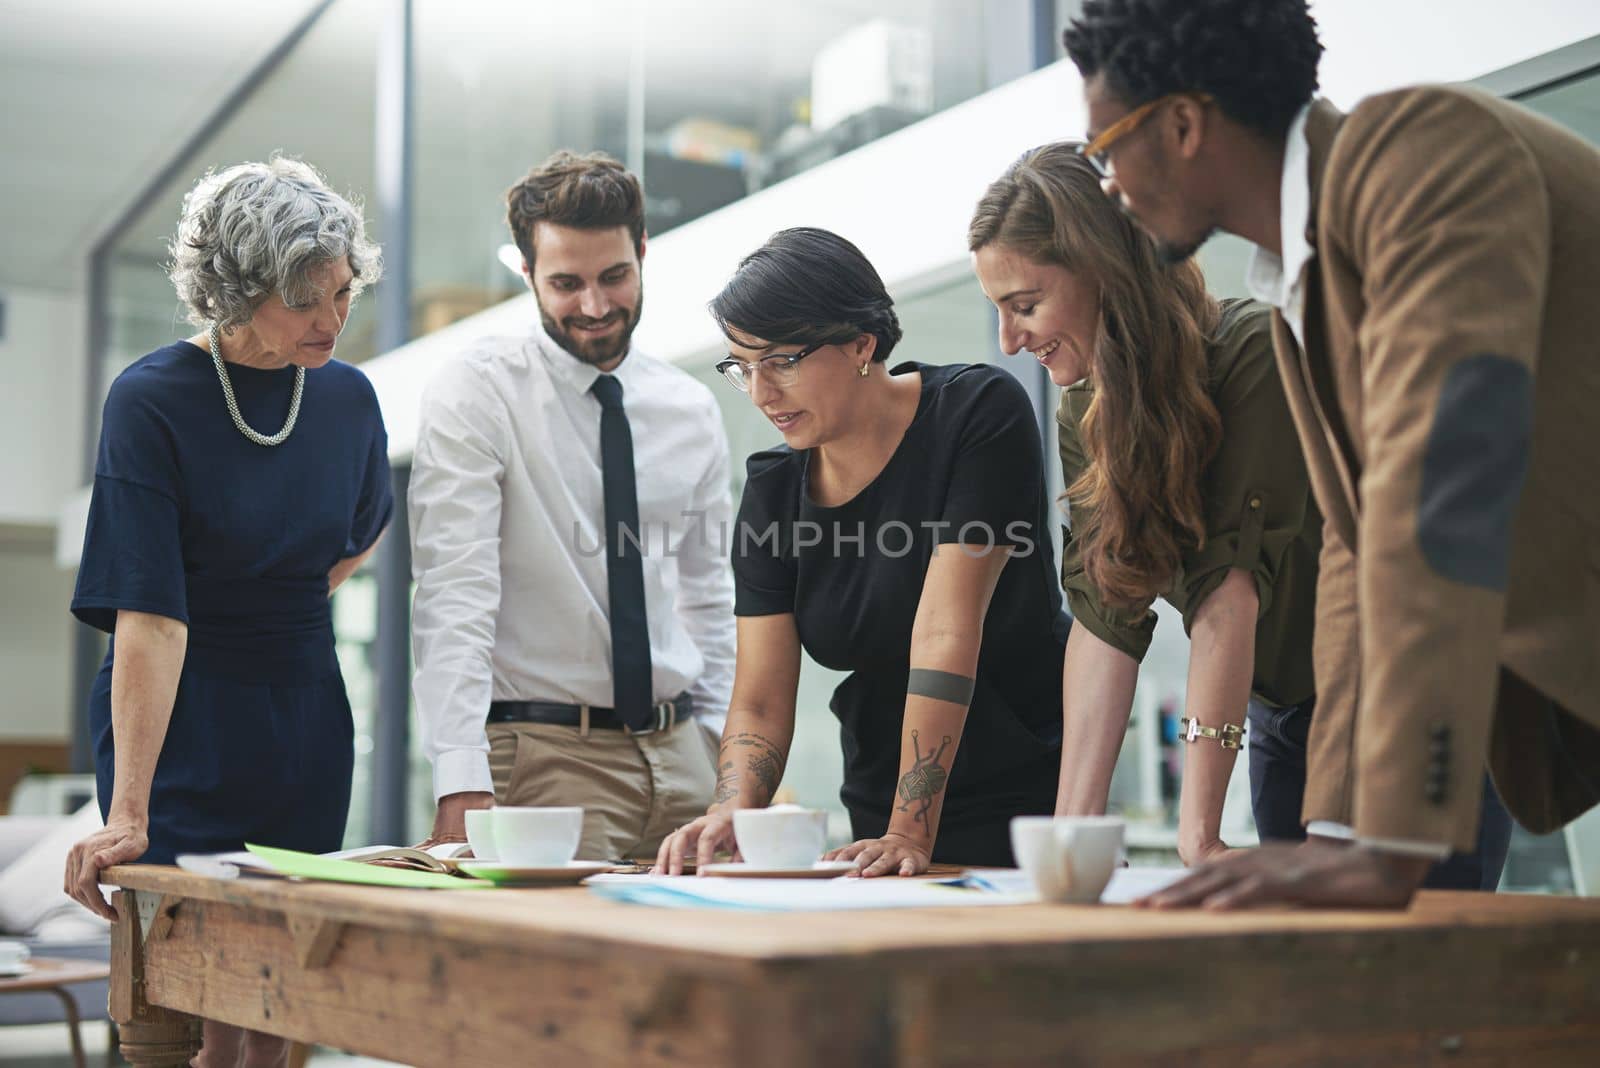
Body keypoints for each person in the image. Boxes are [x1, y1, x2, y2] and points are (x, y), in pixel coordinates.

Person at [1063, 0, 1600, 908]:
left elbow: (1440, 486)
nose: (1107, 183)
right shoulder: (1299, 292)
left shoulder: (1421, 155)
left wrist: (1385, 845)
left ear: (1184, 125)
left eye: (1103, 149)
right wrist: (1339, 827)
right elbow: (1358, 554)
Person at [967, 143, 1512, 891]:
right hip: (1283, 718)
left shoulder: (1253, 349)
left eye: (1025, 304)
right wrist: (1072, 837)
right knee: (1313, 985)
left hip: (1404, 704)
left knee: (1425, 977)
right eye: (997, 311)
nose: (1009, 341)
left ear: (1104, 271)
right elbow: (1104, 616)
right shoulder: (1085, 410)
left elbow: (1229, 593)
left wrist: (1199, 834)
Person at [63, 157, 390, 1066]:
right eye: (305, 299)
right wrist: (130, 811)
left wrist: (271, 604)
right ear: (236, 291)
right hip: (180, 721)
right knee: (184, 994)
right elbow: (152, 615)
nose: (332, 319)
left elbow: (355, 541)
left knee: (286, 994)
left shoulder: (349, 399)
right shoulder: (151, 400)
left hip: (302, 718)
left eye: (343, 290)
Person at [657, 227, 1067, 877]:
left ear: (860, 344)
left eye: (782, 361)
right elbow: (760, 697)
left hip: (1024, 803)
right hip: (878, 816)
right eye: (742, 366)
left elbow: (944, 633)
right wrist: (730, 809)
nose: (762, 393)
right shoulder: (773, 489)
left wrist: (912, 830)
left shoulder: (976, 414)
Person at [409, 150, 735, 863]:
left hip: (685, 757)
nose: (594, 305)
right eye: (566, 283)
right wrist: (460, 775)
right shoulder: (478, 390)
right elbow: (453, 590)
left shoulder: (691, 409)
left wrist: (722, 749)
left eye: (614, 276)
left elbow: (709, 595)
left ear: (644, 253)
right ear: (526, 274)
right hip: (543, 761)